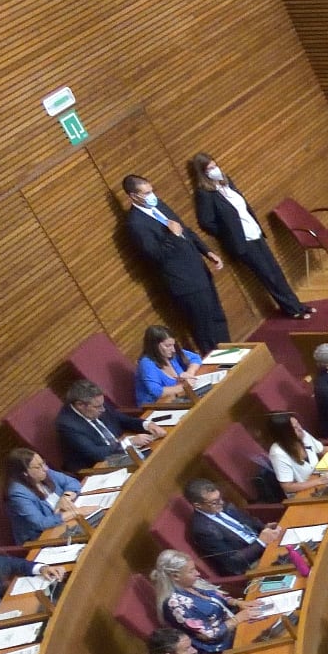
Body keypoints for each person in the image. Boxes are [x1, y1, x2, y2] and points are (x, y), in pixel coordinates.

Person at [188, 152, 311, 319]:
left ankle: (298, 305)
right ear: (203, 173)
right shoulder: (204, 194)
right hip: (242, 241)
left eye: (215, 165)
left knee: (276, 271)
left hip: (254, 232)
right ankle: (291, 309)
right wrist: (229, 233)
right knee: (267, 275)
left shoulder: (226, 182)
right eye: (210, 168)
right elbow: (206, 222)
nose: (215, 170)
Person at [118, 175, 228, 345]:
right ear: (133, 196)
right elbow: (155, 255)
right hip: (185, 283)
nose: (151, 196)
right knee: (205, 329)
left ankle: (235, 361)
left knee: (217, 317)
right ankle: (221, 369)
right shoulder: (136, 224)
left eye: (151, 190)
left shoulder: (159, 205)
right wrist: (173, 236)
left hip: (200, 271)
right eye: (146, 193)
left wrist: (206, 251)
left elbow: (185, 229)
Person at [151, 549, 241, 654]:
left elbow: (216, 597)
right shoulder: (175, 605)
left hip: (234, 624)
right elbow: (208, 635)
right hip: (223, 645)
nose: (197, 573)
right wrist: (237, 619)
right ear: (175, 576)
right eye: (191, 571)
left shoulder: (192, 582)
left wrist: (237, 603)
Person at [57, 379, 152, 471]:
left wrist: (147, 424)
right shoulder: (67, 425)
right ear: (80, 405)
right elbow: (97, 454)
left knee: (153, 456)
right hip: (99, 465)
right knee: (148, 467)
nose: (103, 409)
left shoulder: (97, 402)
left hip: (121, 451)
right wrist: (129, 442)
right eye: (98, 407)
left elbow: (123, 419)